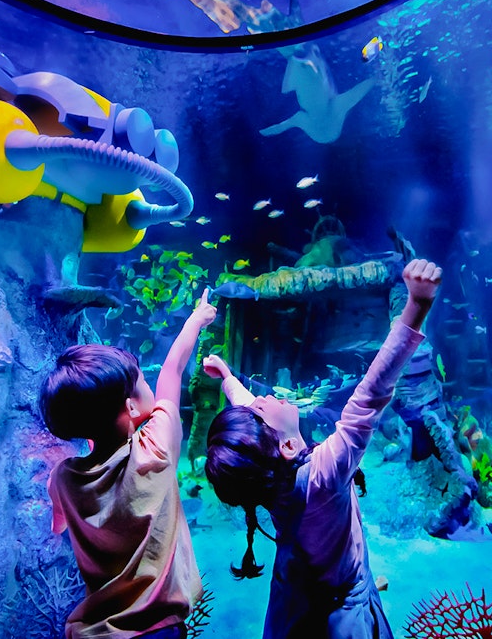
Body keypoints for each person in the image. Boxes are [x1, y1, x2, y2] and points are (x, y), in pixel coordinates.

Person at [202, 258, 441, 639]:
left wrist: (229, 379)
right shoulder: (325, 473)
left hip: (290, 606)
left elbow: (249, 423)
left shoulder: (267, 475)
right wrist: (416, 307)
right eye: (262, 405)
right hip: (342, 615)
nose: (261, 397)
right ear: (288, 445)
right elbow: (370, 393)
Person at [40, 288, 217, 639]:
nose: (150, 383)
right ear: (132, 408)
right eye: (141, 382)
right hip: (157, 630)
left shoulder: (62, 479)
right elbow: (173, 370)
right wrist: (197, 320)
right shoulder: (157, 449)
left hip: (95, 631)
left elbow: (59, 526)